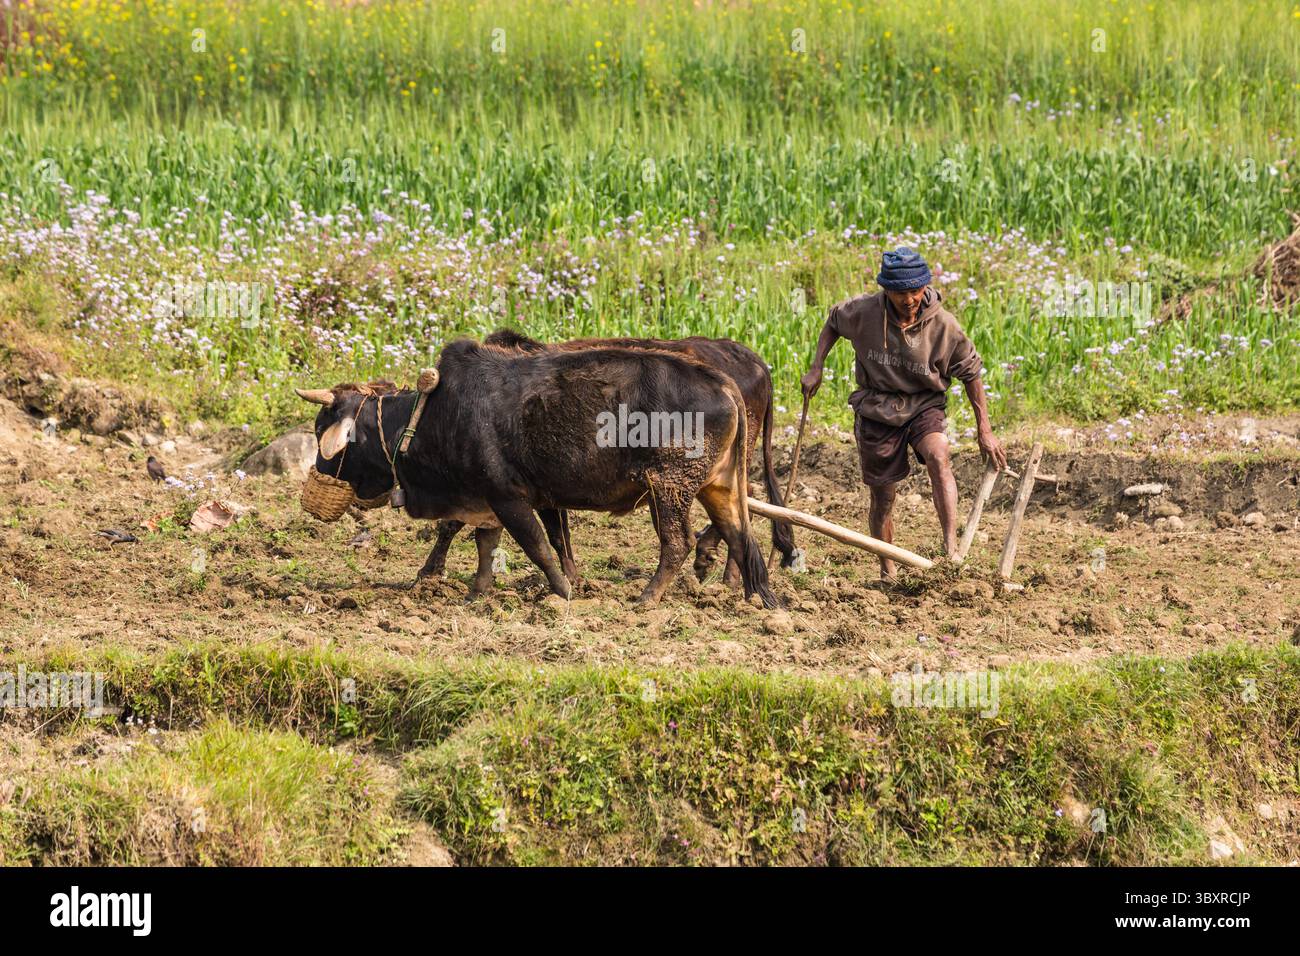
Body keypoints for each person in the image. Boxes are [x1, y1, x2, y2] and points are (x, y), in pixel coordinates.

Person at [801, 247, 1007, 579]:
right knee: (883, 496)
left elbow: (971, 373)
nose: (909, 299)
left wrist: (985, 429)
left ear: (925, 287)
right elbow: (833, 323)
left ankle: (950, 549)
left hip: (924, 403)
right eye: (900, 293)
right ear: (886, 290)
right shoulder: (864, 311)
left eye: (915, 291)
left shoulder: (944, 326)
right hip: (877, 407)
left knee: (939, 454)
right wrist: (817, 368)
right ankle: (888, 569)